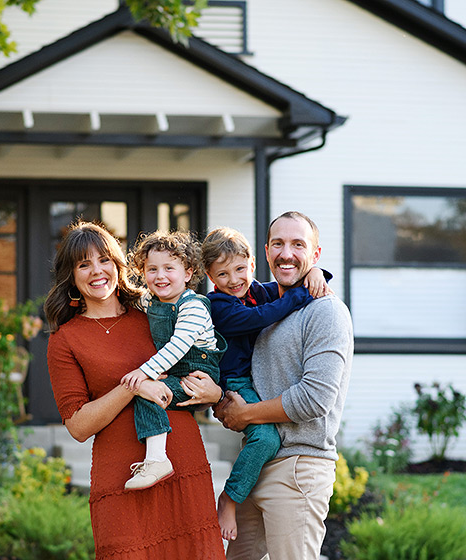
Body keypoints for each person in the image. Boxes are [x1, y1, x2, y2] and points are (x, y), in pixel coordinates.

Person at [45, 221, 226, 560]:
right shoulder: (65, 340)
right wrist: (135, 387)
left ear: (118, 264)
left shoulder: (154, 312)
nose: (97, 271)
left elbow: (194, 369)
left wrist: (214, 393)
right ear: (71, 275)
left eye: (104, 260)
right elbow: (79, 426)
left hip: (182, 463)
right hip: (122, 478)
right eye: (84, 264)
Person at [214, 212, 353, 560]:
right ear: (265, 251)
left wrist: (246, 414)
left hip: (298, 467)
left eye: (298, 245)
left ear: (316, 254)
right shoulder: (259, 301)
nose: (286, 253)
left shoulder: (325, 311)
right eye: (278, 244)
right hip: (256, 464)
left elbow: (315, 399)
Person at [120, 230, 226, 490]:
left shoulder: (193, 306)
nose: (160, 276)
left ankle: (157, 460)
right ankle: (155, 458)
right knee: (149, 392)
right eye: (152, 269)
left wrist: (145, 372)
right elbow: (130, 297)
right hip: (174, 372)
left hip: (196, 374)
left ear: (188, 273)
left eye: (169, 268)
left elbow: (178, 346)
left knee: (148, 393)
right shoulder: (151, 301)